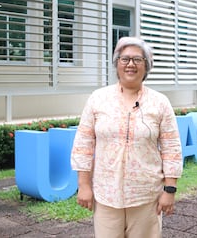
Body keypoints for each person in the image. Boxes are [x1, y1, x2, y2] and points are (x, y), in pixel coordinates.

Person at [71, 36, 183, 238]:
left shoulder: (160, 102)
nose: (130, 64)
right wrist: (84, 185)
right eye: (125, 59)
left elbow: (171, 147)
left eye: (137, 60)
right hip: (106, 194)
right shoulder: (98, 98)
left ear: (146, 65)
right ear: (117, 63)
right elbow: (83, 143)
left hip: (146, 195)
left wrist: (170, 189)